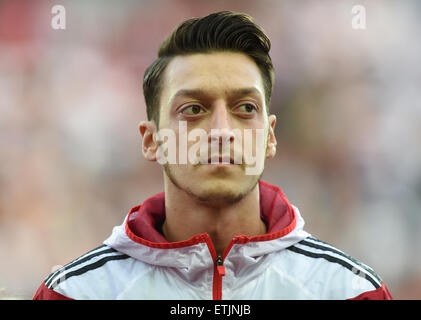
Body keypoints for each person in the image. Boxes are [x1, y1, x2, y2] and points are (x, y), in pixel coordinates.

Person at [33, 11, 392, 300]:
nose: (221, 130)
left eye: (245, 107)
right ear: (151, 140)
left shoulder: (350, 291)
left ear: (269, 136)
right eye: (193, 109)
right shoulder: (74, 293)